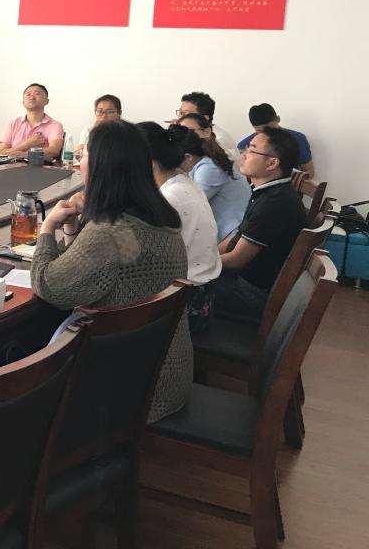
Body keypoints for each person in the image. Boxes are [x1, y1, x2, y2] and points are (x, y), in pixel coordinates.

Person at [31, 120, 190, 422]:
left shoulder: (109, 232)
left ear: (101, 166)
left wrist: (47, 227)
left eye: (84, 155)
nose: (79, 162)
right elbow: (96, 272)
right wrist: (72, 229)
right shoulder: (157, 219)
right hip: (163, 374)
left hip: (125, 391)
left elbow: (49, 287)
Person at [200, 127, 307, 323]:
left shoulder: (274, 203)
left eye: (252, 150)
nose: (244, 155)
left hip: (251, 292)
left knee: (181, 284)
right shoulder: (268, 192)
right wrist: (206, 257)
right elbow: (236, 238)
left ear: (272, 163)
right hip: (245, 282)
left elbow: (237, 259)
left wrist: (197, 266)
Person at [138, 122, 222, 292]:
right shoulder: (183, 182)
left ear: (149, 162)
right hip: (200, 285)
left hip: (183, 292)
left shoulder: (169, 197)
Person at [178, 113, 249, 242]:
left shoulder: (209, 167)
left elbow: (188, 208)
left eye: (188, 131)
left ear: (207, 132)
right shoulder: (202, 160)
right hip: (226, 233)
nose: (183, 137)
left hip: (233, 236)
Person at [238, 103, 314, 177]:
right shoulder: (244, 146)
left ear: (278, 119)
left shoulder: (298, 139)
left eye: (270, 130)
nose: (266, 135)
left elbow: (309, 173)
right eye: (260, 132)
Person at [0, 83, 64, 161]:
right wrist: (27, 144)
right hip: (12, 167)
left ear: (46, 101)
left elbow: (54, 151)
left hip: (41, 167)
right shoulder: (13, 123)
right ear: (23, 102)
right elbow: (2, 152)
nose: (32, 97)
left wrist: (22, 154)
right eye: (28, 94)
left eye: (37, 93)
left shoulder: (55, 125)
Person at [175, 91, 239, 162]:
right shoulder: (195, 134)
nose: (180, 118)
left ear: (204, 118)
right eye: (180, 112)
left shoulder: (219, 140)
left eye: (186, 114)